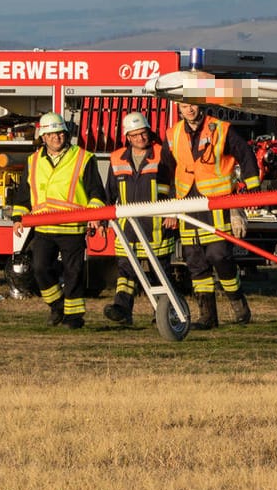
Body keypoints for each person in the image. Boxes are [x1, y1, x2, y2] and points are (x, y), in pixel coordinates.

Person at [9, 112, 107, 328]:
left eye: (60, 133)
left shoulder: (84, 157)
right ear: (43, 137)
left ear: (66, 134)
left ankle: (74, 318)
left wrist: (95, 217)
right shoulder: (33, 161)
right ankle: (56, 305)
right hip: (43, 226)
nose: (56, 138)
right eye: (51, 134)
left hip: (73, 227)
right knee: (40, 268)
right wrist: (18, 217)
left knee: (74, 273)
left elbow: (96, 192)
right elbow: (24, 194)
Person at [167, 101, 259, 330]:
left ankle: (238, 302)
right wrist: (166, 205)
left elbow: (245, 154)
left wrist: (253, 190)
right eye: (185, 106)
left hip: (217, 203)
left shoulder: (221, 129)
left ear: (202, 106)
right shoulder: (173, 133)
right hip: (187, 203)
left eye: (194, 105)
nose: (190, 110)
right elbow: (166, 169)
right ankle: (207, 316)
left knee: (220, 256)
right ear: (178, 109)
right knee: (196, 263)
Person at [102, 112, 176, 325]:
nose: (140, 139)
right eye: (134, 135)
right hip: (128, 228)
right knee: (125, 272)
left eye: (143, 134)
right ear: (127, 137)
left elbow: (175, 185)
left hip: (157, 226)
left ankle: (163, 315)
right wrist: (102, 218)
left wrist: (172, 212)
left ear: (148, 132)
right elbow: (110, 192)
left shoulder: (163, 154)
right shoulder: (117, 158)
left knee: (160, 273)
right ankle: (122, 309)